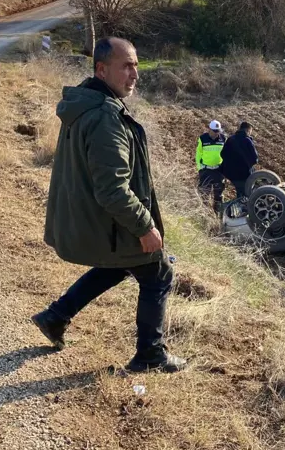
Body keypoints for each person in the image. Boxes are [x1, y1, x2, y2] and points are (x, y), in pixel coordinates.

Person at [32, 37, 186, 373]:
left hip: (94, 219)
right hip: (106, 221)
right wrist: (145, 226)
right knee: (158, 271)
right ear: (101, 70)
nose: (135, 74)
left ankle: (56, 316)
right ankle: (150, 355)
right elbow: (113, 188)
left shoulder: (88, 103)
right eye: (126, 66)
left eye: (136, 64)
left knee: (120, 265)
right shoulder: (105, 117)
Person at [221, 121, 259, 199]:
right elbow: (255, 158)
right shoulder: (247, 140)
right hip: (243, 174)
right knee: (245, 195)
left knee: (239, 191)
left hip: (230, 173)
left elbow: (222, 154)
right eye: (250, 131)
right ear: (248, 130)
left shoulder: (230, 139)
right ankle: (243, 208)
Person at [195, 120, 226, 211]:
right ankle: (205, 213)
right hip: (206, 170)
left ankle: (218, 212)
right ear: (210, 130)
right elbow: (198, 154)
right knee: (205, 193)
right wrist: (199, 167)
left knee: (218, 194)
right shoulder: (203, 139)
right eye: (215, 131)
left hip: (218, 170)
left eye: (218, 131)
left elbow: (226, 154)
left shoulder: (223, 139)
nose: (217, 134)